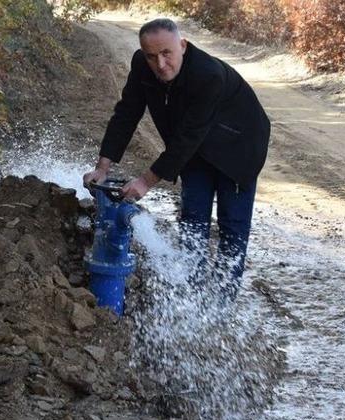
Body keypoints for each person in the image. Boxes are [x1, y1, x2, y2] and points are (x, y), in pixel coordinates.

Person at [83, 18, 271, 286]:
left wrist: (145, 181)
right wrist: (102, 167)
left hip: (239, 148)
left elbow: (186, 139)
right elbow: (126, 114)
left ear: (182, 45)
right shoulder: (142, 66)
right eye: (151, 56)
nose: (160, 64)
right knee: (193, 220)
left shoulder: (208, 76)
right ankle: (192, 291)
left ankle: (223, 301)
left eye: (166, 53)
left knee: (232, 227)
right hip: (196, 149)